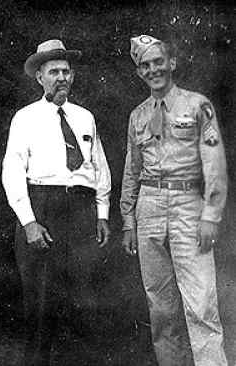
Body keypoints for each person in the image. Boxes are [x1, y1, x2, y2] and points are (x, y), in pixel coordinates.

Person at [2, 39, 111, 366]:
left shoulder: (84, 117)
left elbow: (99, 167)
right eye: (54, 72)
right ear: (40, 77)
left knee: (83, 300)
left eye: (66, 71)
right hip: (42, 209)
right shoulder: (26, 118)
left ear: (72, 76)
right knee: (41, 304)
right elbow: (12, 171)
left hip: (79, 212)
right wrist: (29, 221)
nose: (61, 77)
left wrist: (102, 214)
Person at [120, 34, 228, 366]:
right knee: (161, 307)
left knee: (201, 304)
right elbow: (131, 168)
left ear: (172, 63)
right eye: (145, 65)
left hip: (187, 205)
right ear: (139, 72)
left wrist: (211, 215)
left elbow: (214, 163)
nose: (153, 69)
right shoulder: (138, 116)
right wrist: (127, 220)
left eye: (158, 62)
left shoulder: (198, 105)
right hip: (149, 207)